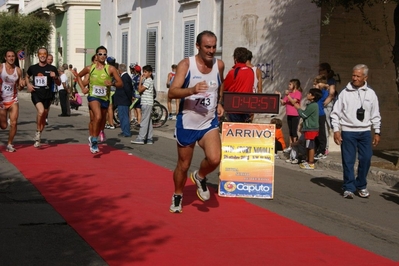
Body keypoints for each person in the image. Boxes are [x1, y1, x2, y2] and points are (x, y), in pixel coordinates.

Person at [168, 30, 225, 213]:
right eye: (207, 47)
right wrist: (192, 90)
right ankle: (178, 195)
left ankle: (200, 176)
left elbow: (220, 85)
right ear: (198, 46)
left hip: (208, 122)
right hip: (187, 122)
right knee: (183, 165)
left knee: (215, 158)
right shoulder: (186, 65)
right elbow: (172, 92)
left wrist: (219, 103)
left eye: (214, 47)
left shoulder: (219, 65)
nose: (211, 50)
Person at [330, 64, 381, 199]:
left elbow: (375, 114)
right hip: (348, 131)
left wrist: (377, 131)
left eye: (358, 76)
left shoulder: (371, 94)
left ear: (365, 77)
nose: (355, 78)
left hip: (364, 132)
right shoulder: (344, 93)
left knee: (366, 158)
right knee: (348, 160)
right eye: (353, 75)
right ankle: (349, 187)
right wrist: (336, 130)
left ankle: (361, 185)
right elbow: (335, 113)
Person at [74, 46, 123, 153]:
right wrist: (83, 88)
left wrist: (113, 83)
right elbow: (78, 76)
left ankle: (95, 135)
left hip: (105, 98)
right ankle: (94, 141)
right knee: (97, 116)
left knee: (101, 122)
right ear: (96, 55)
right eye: (100, 54)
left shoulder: (110, 69)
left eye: (104, 54)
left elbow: (120, 83)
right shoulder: (90, 68)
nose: (102, 56)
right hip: (93, 96)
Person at [25, 48, 61, 147]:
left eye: (44, 54)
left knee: (44, 115)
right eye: (40, 53)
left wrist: (55, 77)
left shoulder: (52, 68)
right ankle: (37, 131)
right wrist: (28, 84)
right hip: (36, 93)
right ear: (38, 55)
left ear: (47, 55)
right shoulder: (33, 68)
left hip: (47, 95)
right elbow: (27, 76)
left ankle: (39, 134)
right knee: (40, 111)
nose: (42, 55)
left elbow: (59, 83)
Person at [289, 88, 322, 170]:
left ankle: (311, 162)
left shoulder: (313, 105)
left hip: (311, 128)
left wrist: (298, 108)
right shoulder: (311, 105)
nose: (307, 94)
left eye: (309, 93)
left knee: (310, 145)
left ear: (313, 96)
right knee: (308, 145)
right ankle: (307, 160)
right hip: (308, 129)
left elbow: (304, 115)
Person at [0, 50, 24, 152]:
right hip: (1, 100)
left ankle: (10, 144)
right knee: (4, 126)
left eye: (13, 56)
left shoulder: (18, 70)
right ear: (5, 58)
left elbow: (19, 86)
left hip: (13, 99)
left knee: (14, 123)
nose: (11, 58)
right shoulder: (1, 68)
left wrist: (22, 85)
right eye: (9, 56)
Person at [222, 47, 254, 122]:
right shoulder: (251, 71)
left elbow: (224, 87)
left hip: (234, 106)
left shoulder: (233, 72)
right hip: (247, 106)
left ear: (235, 58)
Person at [131, 65, 155, 144]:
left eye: (145, 72)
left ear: (150, 73)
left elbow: (140, 90)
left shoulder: (148, 80)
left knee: (144, 120)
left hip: (146, 103)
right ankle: (149, 138)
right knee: (148, 121)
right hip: (147, 102)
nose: (144, 73)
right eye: (143, 72)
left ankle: (141, 138)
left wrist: (141, 80)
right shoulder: (148, 80)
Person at [278, 79, 302, 152]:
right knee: (290, 131)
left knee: (294, 131)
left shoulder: (298, 93)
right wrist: (280, 96)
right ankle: (290, 146)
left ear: (295, 85)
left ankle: (294, 146)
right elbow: (283, 103)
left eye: (290, 84)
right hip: (289, 114)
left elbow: (293, 102)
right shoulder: (289, 94)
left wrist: (288, 95)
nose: (289, 86)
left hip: (295, 114)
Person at [319, 62, 337, 155]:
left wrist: (325, 102)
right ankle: (324, 147)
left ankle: (325, 147)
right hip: (321, 105)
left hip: (327, 105)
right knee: (323, 127)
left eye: (322, 70)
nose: (320, 71)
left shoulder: (330, 81)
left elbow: (332, 93)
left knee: (328, 125)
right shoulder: (320, 80)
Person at [313, 75, 329, 159]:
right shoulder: (316, 93)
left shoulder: (324, 92)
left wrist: (321, 86)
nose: (314, 86)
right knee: (316, 134)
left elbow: (327, 88)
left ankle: (322, 150)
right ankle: (317, 150)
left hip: (320, 115)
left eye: (316, 84)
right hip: (315, 115)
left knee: (321, 134)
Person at [114, 63, 133, 137]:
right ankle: (124, 130)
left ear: (120, 70)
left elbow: (127, 89)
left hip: (123, 100)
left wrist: (129, 98)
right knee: (121, 116)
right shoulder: (124, 76)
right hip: (122, 100)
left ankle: (126, 132)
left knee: (124, 116)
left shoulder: (124, 77)